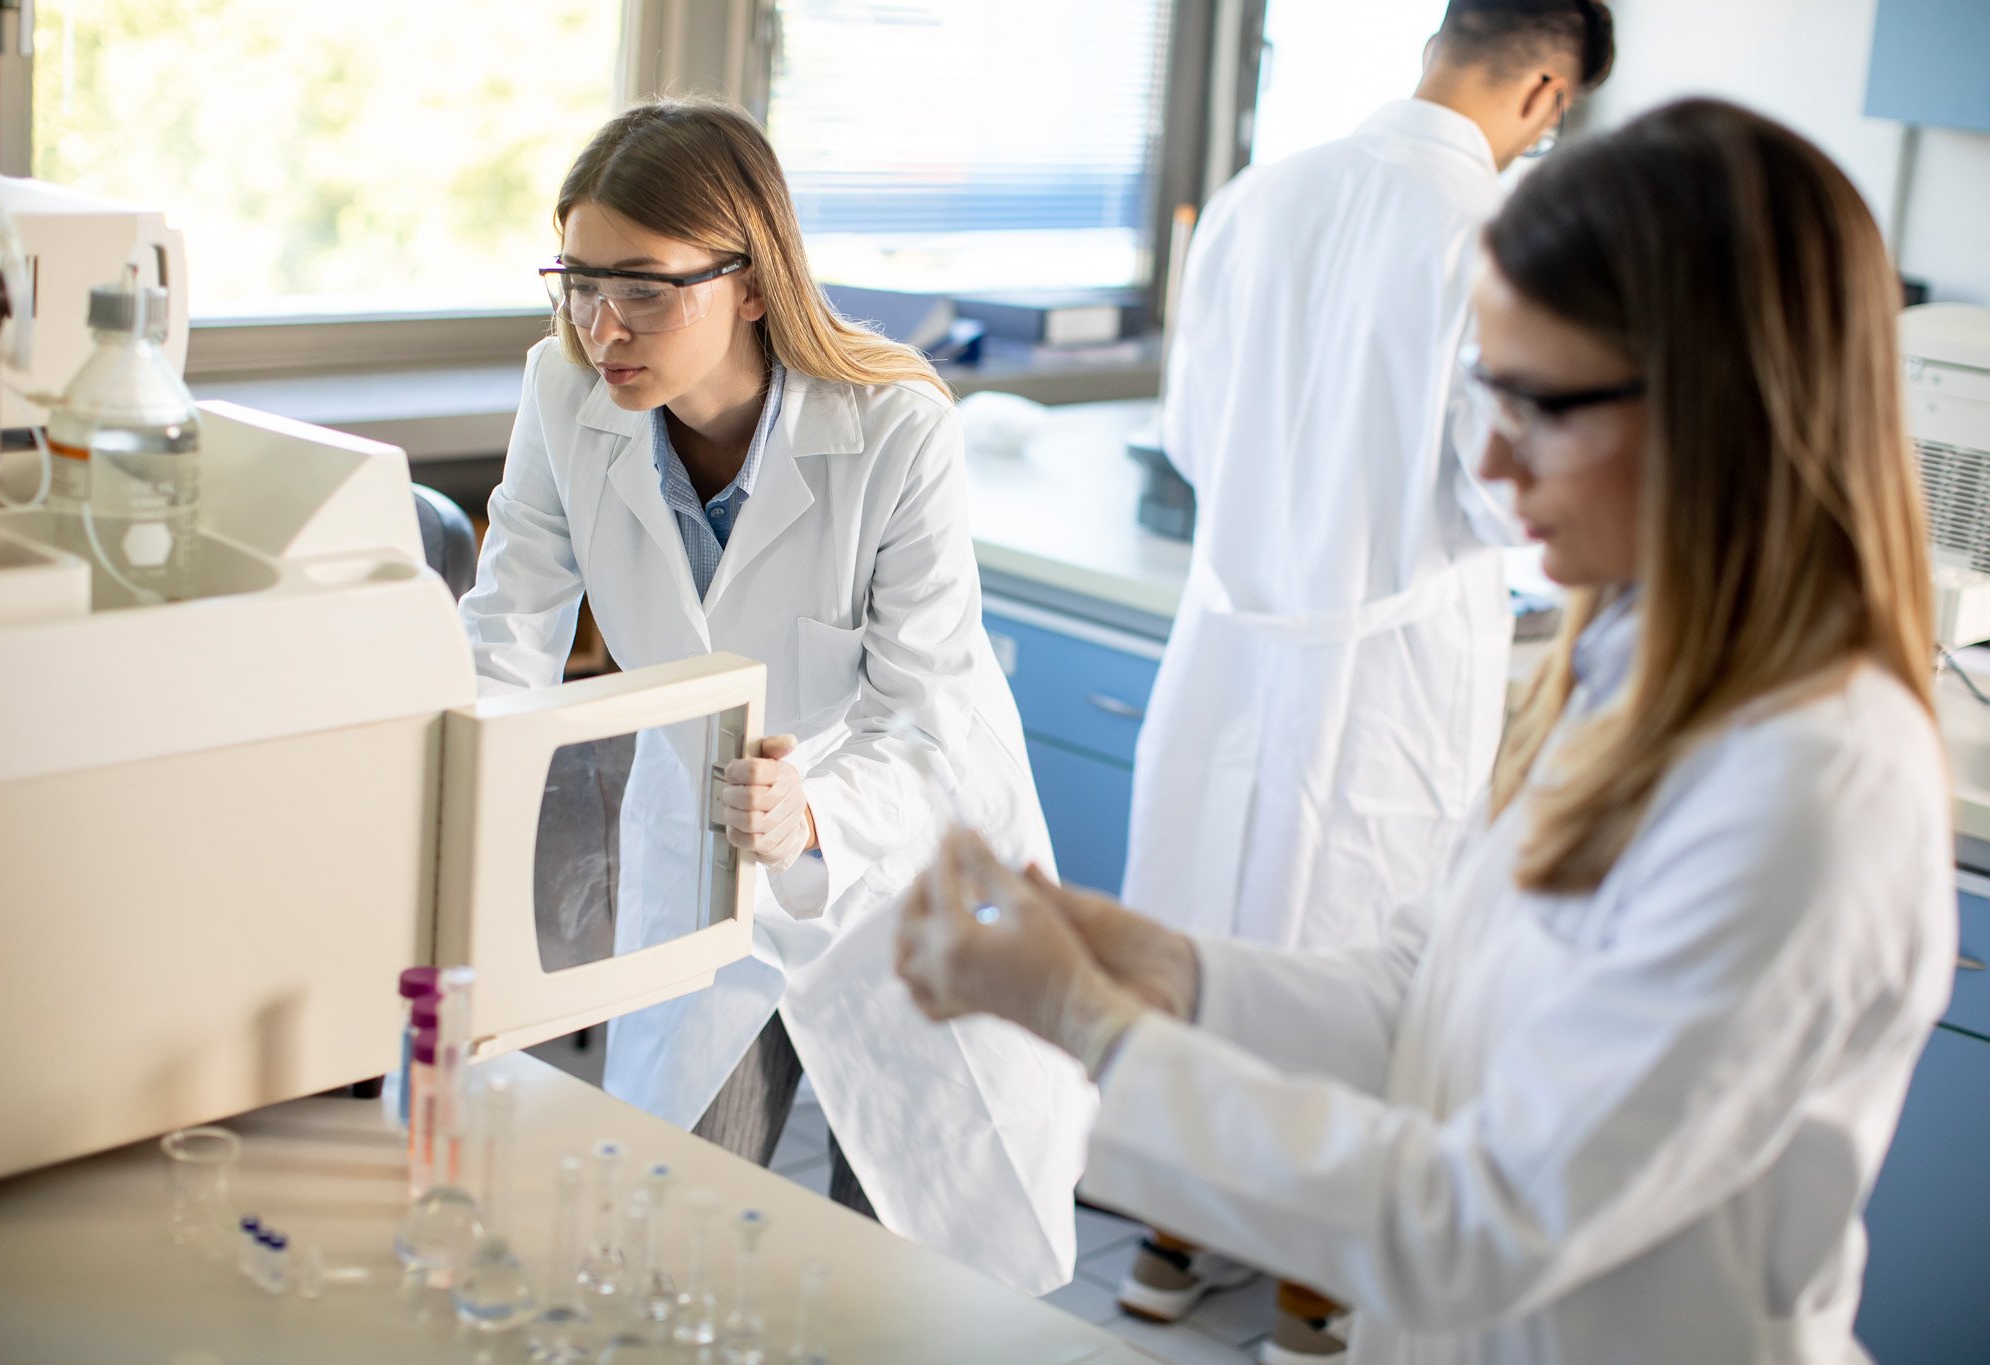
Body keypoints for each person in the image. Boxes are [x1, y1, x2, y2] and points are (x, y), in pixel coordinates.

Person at [900, 98, 1953, 1364]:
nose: (1495, 467)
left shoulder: (1810, 784)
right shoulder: (1616, 675)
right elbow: (1421, 996)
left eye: (1544, 405)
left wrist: (1092, 1028)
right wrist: (1164, 968)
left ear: (1725, 406)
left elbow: (1485, 1221)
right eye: (1483, 392)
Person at [460, 99, 1093, 1295]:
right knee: (663, 1236)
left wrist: (811, 815)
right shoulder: (562, 392)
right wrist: (445, 789)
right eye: (577, 282)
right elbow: (508, 623)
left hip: (901, 868)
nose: (603, 327)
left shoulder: (895, 426)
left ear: (749, 280)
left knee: (912, 1265)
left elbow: (930, 714)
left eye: (643, 288)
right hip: (697, 857)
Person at [1119, 1, 1615, 1351]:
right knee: (1358, 949)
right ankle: (1309, 1291)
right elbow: (1503, 491)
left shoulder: (1257, 196)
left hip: (1232, 633)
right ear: (1547, 92)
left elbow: (1193, 434)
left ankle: (1167, 1243)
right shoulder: (1498, 241)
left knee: (1209, 927)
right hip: (1390, 652)